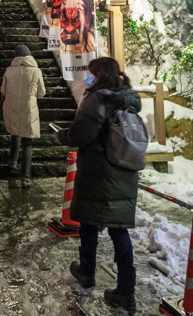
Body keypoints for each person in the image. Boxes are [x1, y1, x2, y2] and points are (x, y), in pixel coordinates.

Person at [53, 56, 140, 312]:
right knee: (119, 231)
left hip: (98, 173)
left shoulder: (97, 100)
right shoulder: (129, 98)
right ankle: (126, 290)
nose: (89, 78)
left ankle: (87, 271)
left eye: (91, 73)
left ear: (99, 75)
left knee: (89, 223)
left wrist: (61, 135)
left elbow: (82, 134)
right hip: (124, 171)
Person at [0, 44, 45, 188]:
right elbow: (41, 93)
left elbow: (3, 91)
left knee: (15, 134)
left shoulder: (9, 71)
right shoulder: (36, 71)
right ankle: (25, 179)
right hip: (28, 110)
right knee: (27, 144)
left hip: (12, 108)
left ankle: (12, 165)